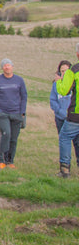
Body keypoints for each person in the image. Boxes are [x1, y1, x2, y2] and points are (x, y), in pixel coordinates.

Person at [0, 58, 27, 169]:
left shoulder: (19, 80)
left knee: (14, 138)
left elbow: (24, 96)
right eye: (4, 65)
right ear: (2, 68)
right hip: (3, 114)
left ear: (12, 67)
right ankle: (2, 161)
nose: (7, 67)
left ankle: (10, 161)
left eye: (8, 65)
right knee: (6, 134)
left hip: (16, 113)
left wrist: (22, 112)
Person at [55, 45, 79, 178]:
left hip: (76, 115)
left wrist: (59, 81)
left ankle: (65, 169)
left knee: (64, 137)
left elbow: (64, 91)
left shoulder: (74, 70)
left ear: (77, 54)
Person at [51, 60, 72, 136]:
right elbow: (53, 100)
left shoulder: (75, 84)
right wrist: (60, 111)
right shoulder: (55, 85)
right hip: (60, 118)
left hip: (72, 118)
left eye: (66, 71)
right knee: (63, 139)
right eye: (62, 71)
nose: (64, 73)